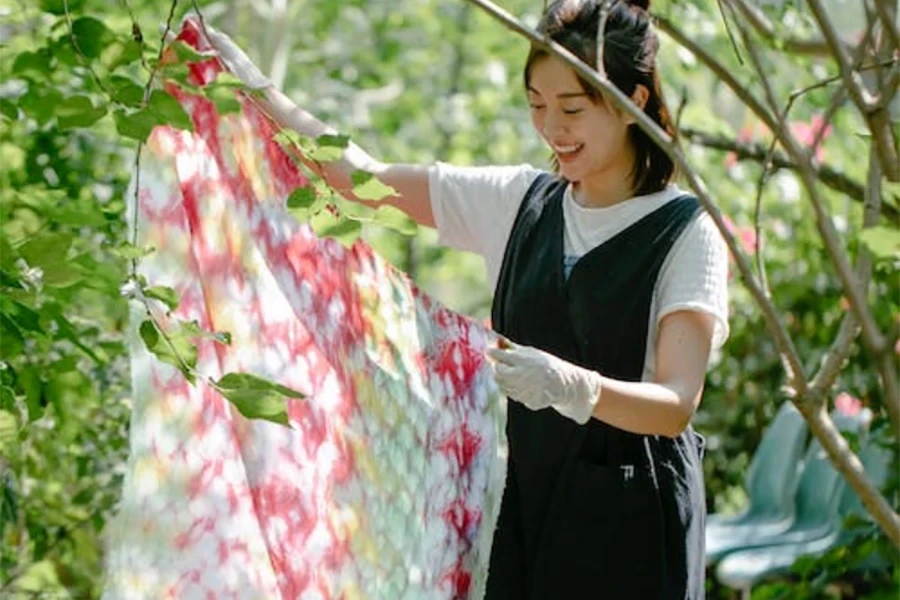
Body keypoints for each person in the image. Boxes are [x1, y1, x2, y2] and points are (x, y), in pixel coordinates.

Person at [207, 0, 728, 597]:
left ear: (634, 102)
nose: (552, 129)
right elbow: (359, 179)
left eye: (572, 109)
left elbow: (676, 403)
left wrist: (571, 385)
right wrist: (253, 86)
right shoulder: (519, 204)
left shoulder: (684, 231)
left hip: (635, 520)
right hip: (534, 503)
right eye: (537, 105)